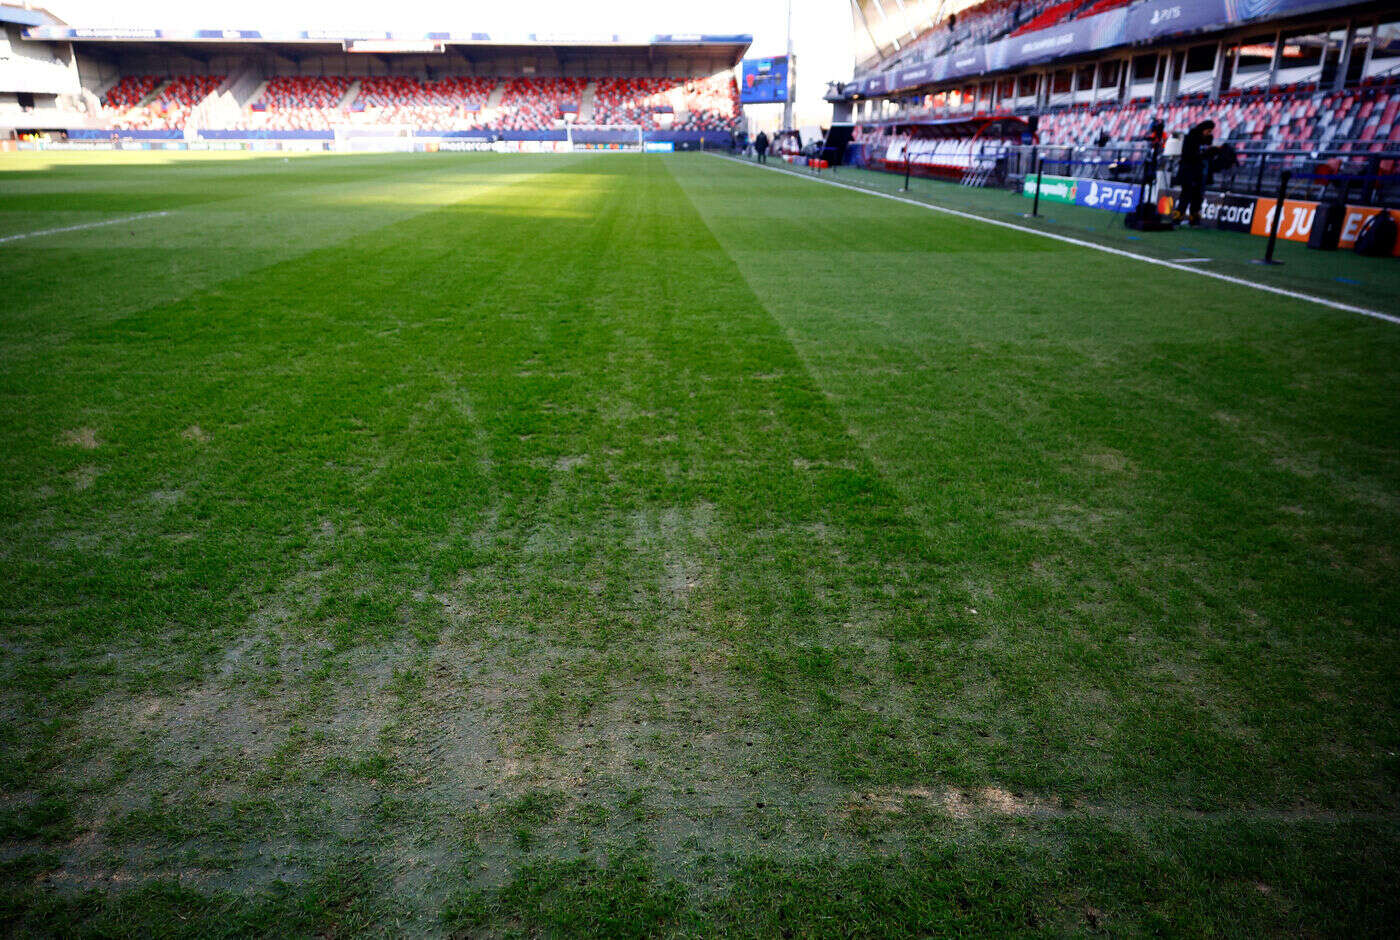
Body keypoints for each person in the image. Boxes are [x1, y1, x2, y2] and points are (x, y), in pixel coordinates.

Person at [1174, 120, 1216, 226]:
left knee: (1197, 196)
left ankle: (1194, 218)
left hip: (1199, 172)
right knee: (1186, 194)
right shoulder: (1191, 137)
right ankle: (1178, 217)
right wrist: (1203, 154)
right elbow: (1188, 154)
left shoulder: (1207, 139)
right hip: (1188, 171)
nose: (1209, 133)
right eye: (1208, 131)